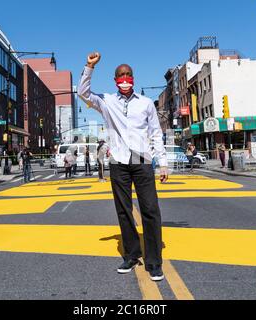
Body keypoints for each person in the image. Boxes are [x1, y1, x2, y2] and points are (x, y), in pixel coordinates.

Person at [78, 52, 168, 282]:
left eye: (128, 74)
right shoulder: (106, 101)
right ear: (114, 79)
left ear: (134, 78)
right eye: (120, 75)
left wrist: (163, 163)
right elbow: (83, 93)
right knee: (123, 210)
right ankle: (131, 255)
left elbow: (156, 134)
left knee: (150, 209)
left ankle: (154, 262)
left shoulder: (146, 103)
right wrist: (89, 67)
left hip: (142, 161)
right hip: (119, 161)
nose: (125, 78)